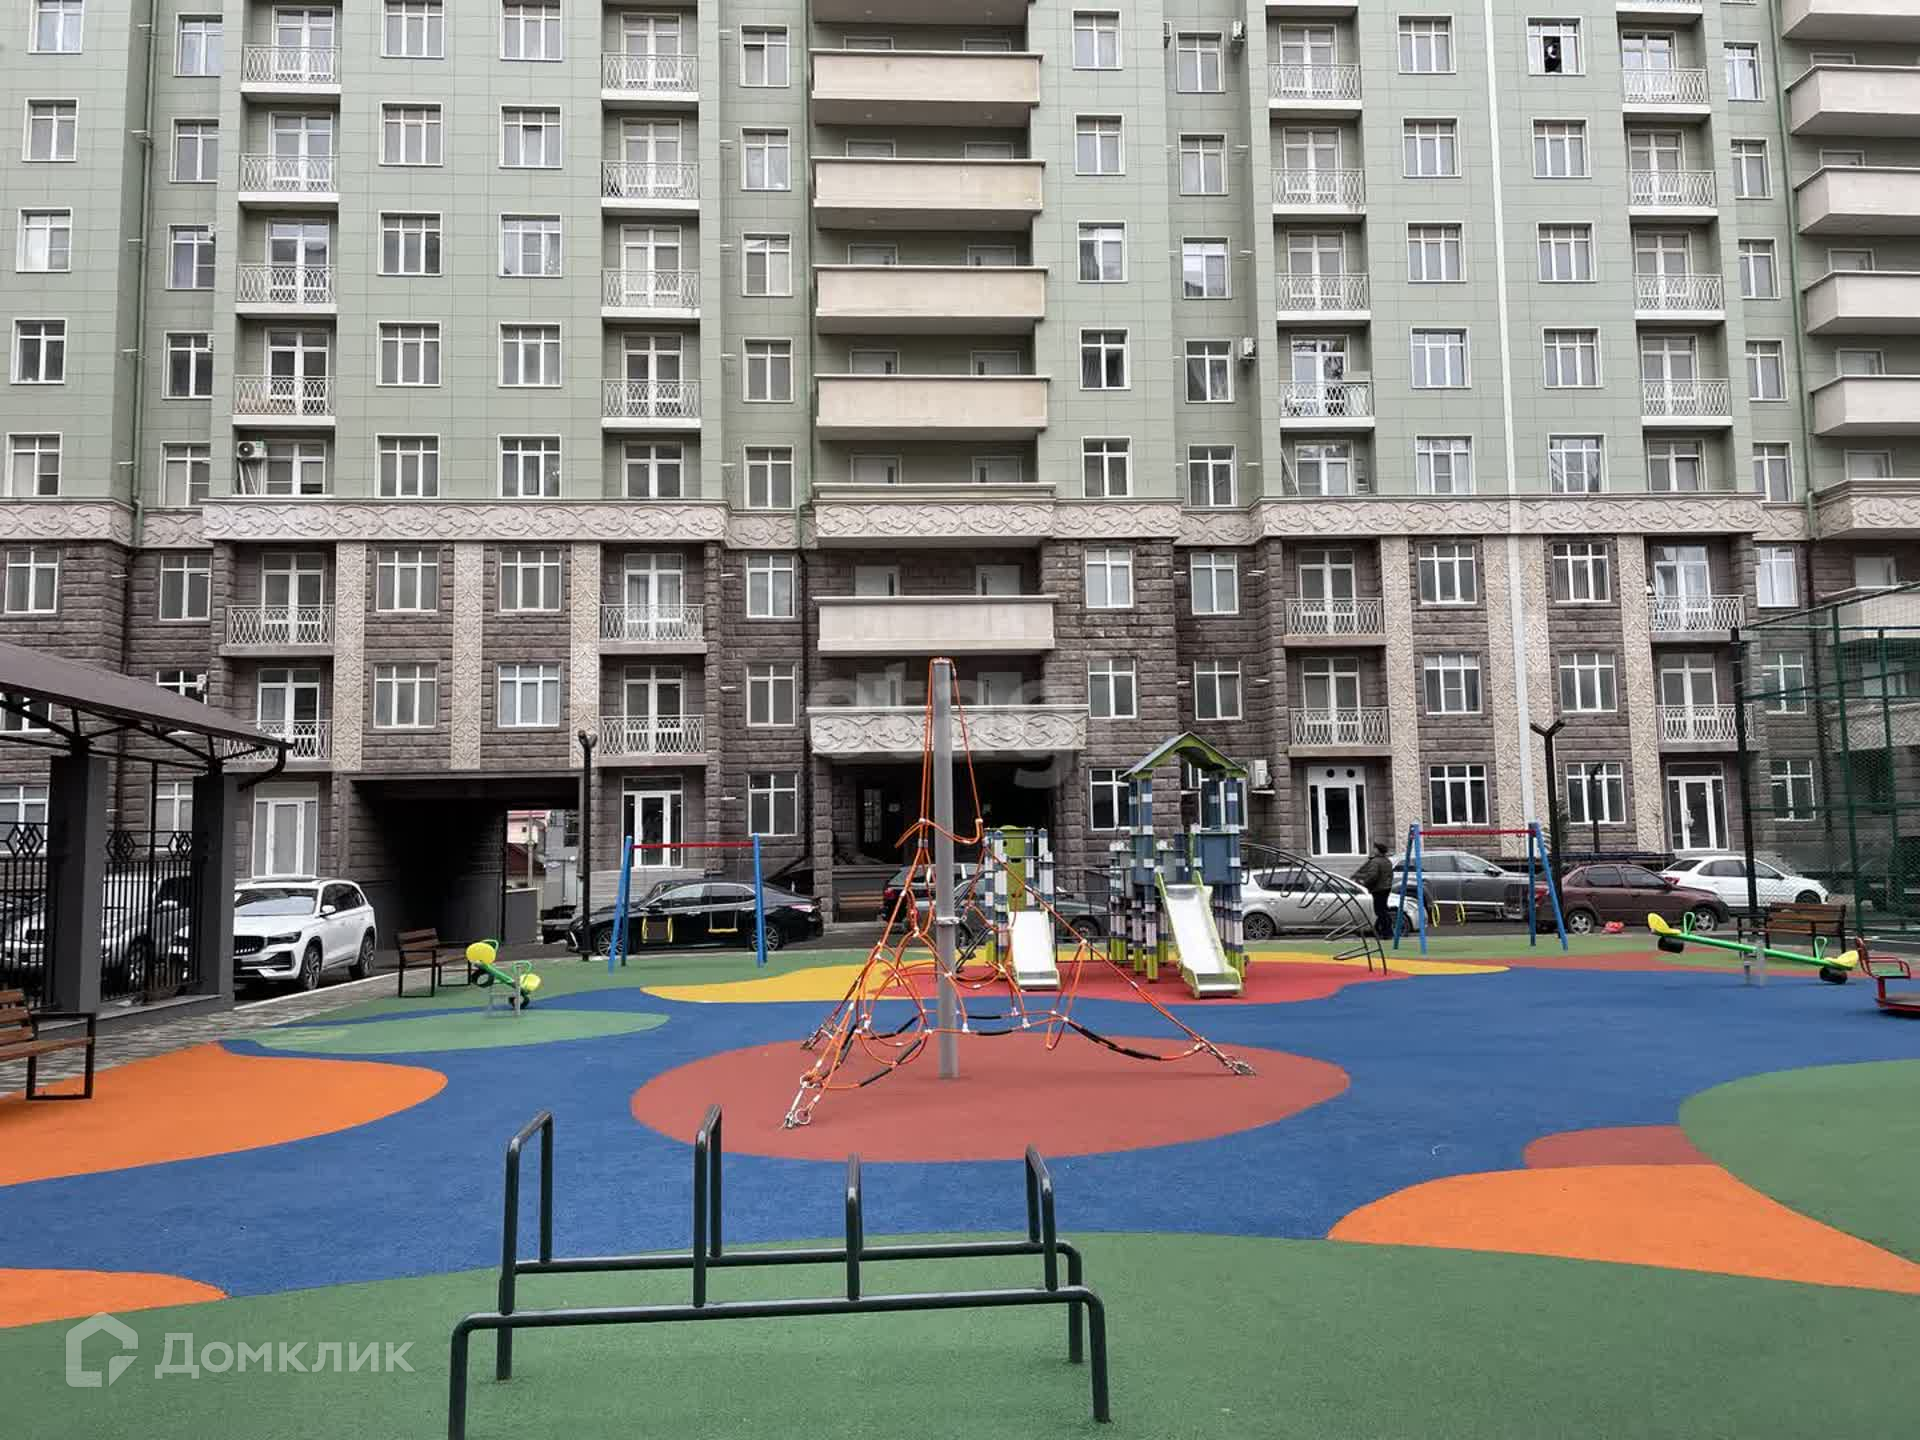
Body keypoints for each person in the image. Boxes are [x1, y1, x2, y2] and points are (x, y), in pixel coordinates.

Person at [1353, 840, 1395, 939]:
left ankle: (1387, 932)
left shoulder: (1375, 861)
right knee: (1383, 910)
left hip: (1378, 889)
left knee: (1380, 911)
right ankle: (1381, 931)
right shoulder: (1387, 861)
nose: (1373, 850)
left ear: (1378, 850)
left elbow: (1372, 876)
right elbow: (1390, 875)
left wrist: (1364, 883)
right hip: (1386, 888)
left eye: (1375, 848)